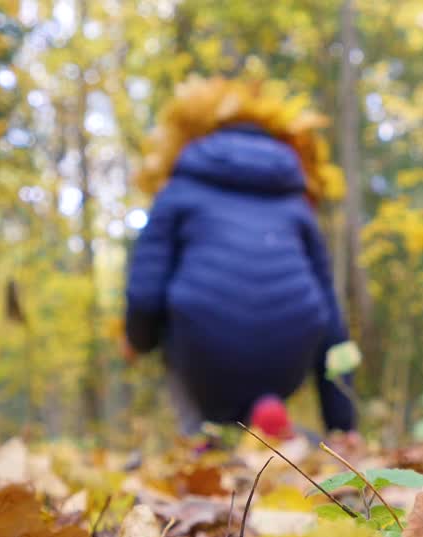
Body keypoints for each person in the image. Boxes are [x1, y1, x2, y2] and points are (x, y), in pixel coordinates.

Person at [122, 77, 356, 443]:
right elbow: (331, 318)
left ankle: (202, 435)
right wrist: (343, 426)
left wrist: (139, 340)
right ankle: (265, 415)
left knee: (180, 313)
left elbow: (145, 294)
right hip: (287, 355)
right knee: (295, 313)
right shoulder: (296, 204)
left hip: (201, 347)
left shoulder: (178, 190)